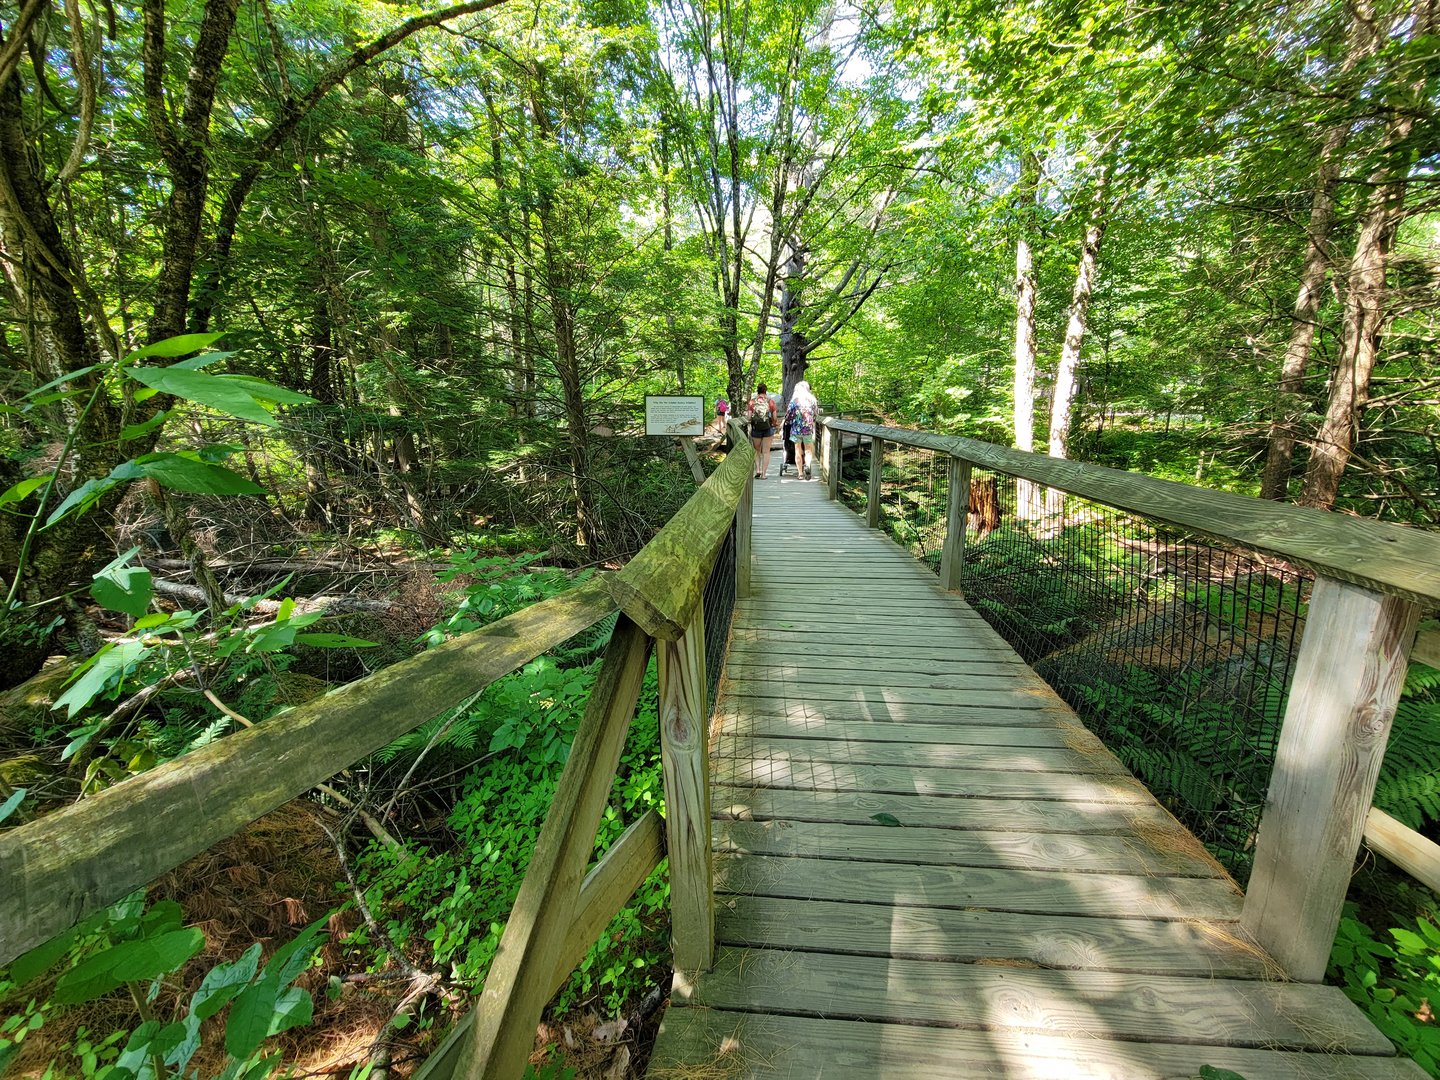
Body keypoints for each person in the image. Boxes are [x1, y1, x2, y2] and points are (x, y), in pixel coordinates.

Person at [787, 379, 819, 480]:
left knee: (798, 450)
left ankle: (800, 474)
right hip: (808, 428)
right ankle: (808, 464)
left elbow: (788, 415)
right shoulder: (812, 400)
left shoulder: (794, 400)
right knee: (808, 449)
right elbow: (816, 414)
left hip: (796, 429)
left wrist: (788, 422)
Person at [746, 383, 778, 478]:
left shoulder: (752, 402)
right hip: (767, 428)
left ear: (757, 390)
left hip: (756, 428)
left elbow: (748, 417)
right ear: (765, 391)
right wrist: (774, 423)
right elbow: (775, 416)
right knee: (766, 451)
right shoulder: (770, 402)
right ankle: (764, 474)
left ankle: (757, 470)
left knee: (756, 450)